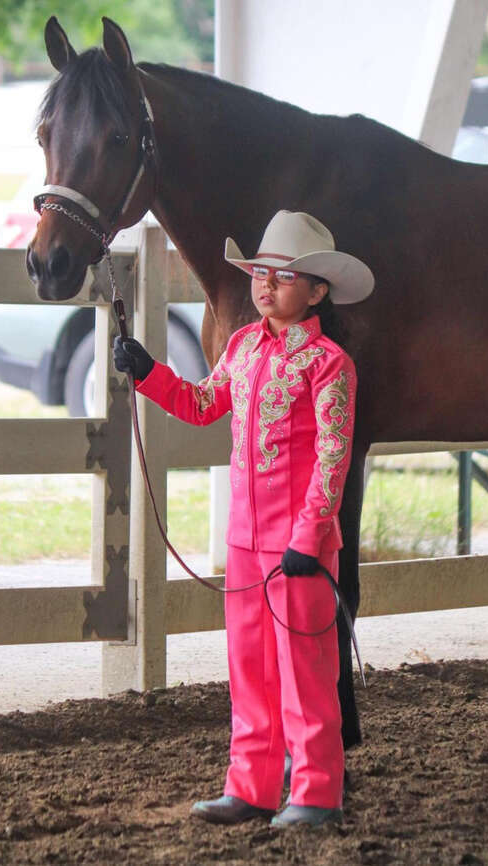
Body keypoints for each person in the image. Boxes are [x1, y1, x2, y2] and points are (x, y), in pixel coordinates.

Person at [113, 210, 374, 828]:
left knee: (306, 671)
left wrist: (310, 537)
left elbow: (334, 457)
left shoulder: (330, 364)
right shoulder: (244, 347)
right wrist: (149, 372)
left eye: (281, 277)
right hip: (247, 544)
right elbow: (204, 405)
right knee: (249, 670)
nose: (264, 285)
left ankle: (316, 791)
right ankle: (251, 785)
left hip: (299, 548)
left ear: (315, 292)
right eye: (260, 273)